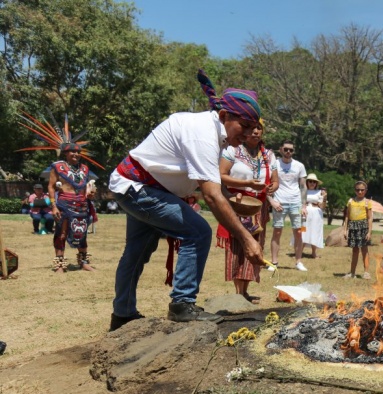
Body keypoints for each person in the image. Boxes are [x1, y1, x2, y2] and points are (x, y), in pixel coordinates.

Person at [107, 69, 264, 331]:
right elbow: (211, 197)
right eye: (244, 127)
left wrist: (231, 201)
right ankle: (182, 304)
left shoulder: (218, 135)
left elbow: (213, 188)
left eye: (252, 128)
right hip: (137, 187)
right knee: (198, 232)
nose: (248, 135)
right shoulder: (201, 133)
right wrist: (247, 239)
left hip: (142, 187)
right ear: (224, 116)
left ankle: (121, 316)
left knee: (136, 252)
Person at [17, 113, 103, 271]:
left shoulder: (84, 169)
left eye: (78, 152)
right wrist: (54, 206)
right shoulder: (57, 167)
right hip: (64, 203)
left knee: (81, 232)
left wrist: (90, 194)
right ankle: (60, 263)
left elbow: (86, 188)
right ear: (66, 153)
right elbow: (50, 186)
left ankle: (83, 262)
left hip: (82, 204)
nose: (76, 154)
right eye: (72, 152)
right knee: (61, 233)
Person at [218, 123, 279, 304]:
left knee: (254, 247)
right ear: (245, 131)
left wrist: (270, 188)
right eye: (252, 128)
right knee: (237, 247)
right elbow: (221, 174)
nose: (255, 131)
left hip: (257, 207)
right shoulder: (233, 150)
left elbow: (276, 181)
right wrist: (247, 184)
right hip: (237, 204)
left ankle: (245, 292)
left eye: (259, 128)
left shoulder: (268, 155)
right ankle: (238, 293)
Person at [268, 140, 307, 272]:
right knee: (277, 231)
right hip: (279, 201)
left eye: (291, 150)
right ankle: (274, 262)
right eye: (286, 149)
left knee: (298, 232)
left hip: (296, 202)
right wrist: (272, 200)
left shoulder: (299, 166)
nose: (288, 152)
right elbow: (267, 183)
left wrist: (304, 205)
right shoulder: (274, 164)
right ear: (281, 149)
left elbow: (303, 186)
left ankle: (298, 262)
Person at [343, 180, 372, 279]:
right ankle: (352, 273)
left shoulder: (367, 202)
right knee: (355, 250)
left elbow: (369, 218)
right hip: (353, 227)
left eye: (362, 190)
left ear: (366, 190)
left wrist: (369, 232)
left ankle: (366, 272)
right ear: (355, 190)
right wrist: (345, 229)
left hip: (363, 227)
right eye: (357, 190)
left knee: (364, 249)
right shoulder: (351, 201)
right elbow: (347, 216)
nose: (360, 192)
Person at [300, 173, 326, 258]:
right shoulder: (303, 191)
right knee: (303, 230)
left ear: (316, 183)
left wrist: (324, 197)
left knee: (315, 231)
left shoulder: (320, 192)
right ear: (307, 182)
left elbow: (322, 206)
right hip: (305, 213)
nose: (312, 183)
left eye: (314, 182)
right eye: (310, 181)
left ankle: (314, 252)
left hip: (316, 214)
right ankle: (299, 251)